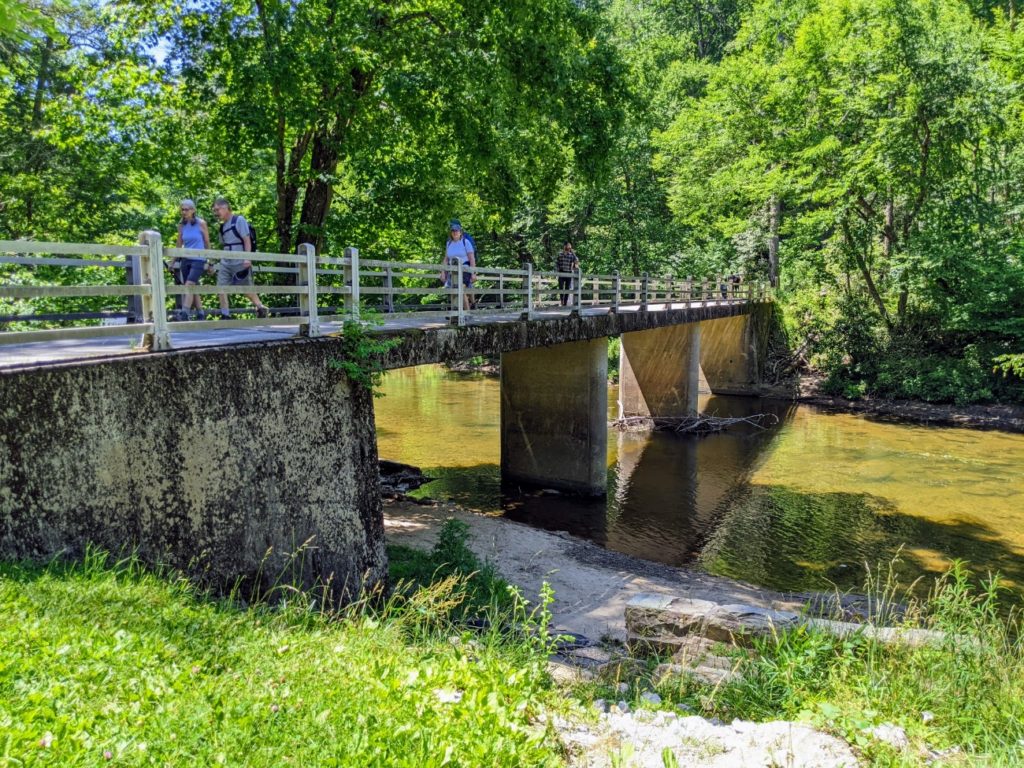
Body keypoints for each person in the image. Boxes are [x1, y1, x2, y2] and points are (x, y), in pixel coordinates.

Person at [211, 197, 269, 319]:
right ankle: (225, 314)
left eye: (217, 210)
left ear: (225, 208)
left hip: (240, 259)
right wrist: (213, 262)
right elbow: (223, 245)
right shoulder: (222, 227)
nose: (216, 213)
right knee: (220, 287)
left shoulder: (238, 220)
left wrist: (247, 258)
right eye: (214, 211)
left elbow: (246, 240)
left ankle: (260, 307)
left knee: (245, 288)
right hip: (226, 260)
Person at [174, 199, 210, 320]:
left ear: (193, 210)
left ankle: (184, 313)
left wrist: (209, 260)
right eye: (182, 209)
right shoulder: (181, 225)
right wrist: (173, 261)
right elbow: (179, 244)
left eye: (186, 209)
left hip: (199, 259)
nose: (184, 212)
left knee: (189, 284)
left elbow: (207, 242)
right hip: (186, 259)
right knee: (192, 286)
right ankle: (200, 313)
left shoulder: (201, 223)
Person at [440, 219, 475, 312]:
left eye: (457, 231)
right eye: (453, 231)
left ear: (460, 232)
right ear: (451, 233)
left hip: (465, 270)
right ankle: (455, 312)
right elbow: (446, 259)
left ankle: (467, 313)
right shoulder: (449, 243)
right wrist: (443, 272)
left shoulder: (465, 242)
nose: (455, 232)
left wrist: (474, 273)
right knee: (453, 291)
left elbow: (472, 258)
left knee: (460, 290)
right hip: (453, 271)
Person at [556, 241, 580, 307]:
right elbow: (557, 264)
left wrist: (573, 252)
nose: (570, 247)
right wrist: (557, 271)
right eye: (568, 246)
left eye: (570, 246)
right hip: (561, 273)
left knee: (567, 289)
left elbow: (577, 262)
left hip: (569, 273)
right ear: (565, 246)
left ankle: (565, 303)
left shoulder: (571, 255)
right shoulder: (560, 254)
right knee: (561, 288)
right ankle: (561, 301)